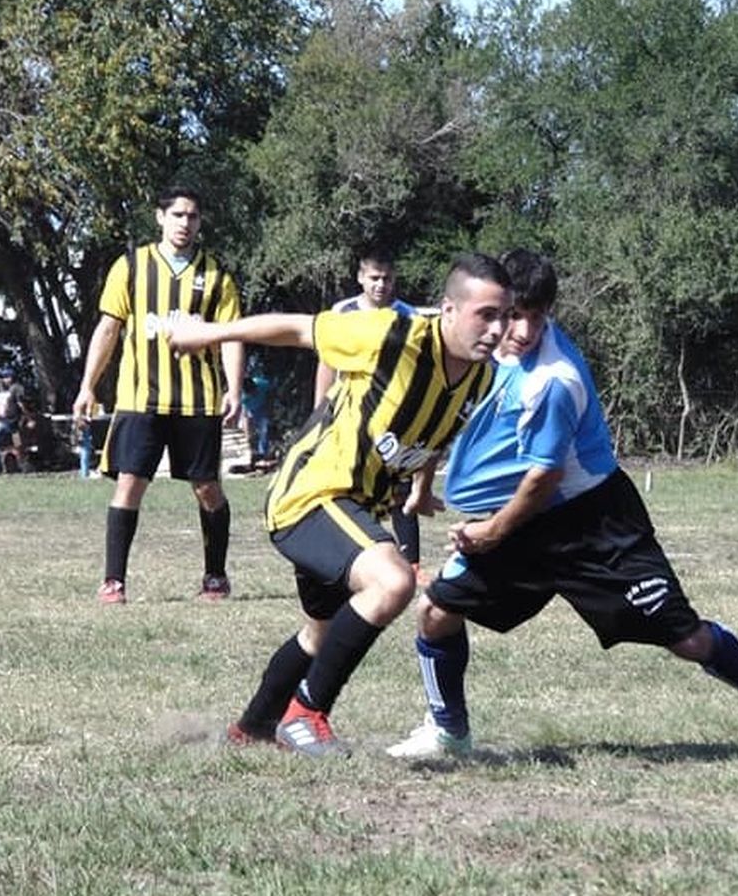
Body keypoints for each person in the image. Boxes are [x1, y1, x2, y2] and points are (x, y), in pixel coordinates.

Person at [385, 250, 738, 760]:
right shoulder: (473, 340)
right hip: (524, 523)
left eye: (536, 317)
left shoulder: (553, 380)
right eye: (513, 314)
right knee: (435, 612)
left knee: (686, 639)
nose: (522, 331)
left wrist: (492, 531)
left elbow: (544, 479)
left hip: (593, 524)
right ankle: (449, 731)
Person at [166, 253, 512, 756]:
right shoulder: (393, 336)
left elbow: (433, 437)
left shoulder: (479, 378)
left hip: (355, 508)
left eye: (504, 315)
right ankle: (305, 716)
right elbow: (296, 329)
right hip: (311, 495)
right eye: (486, 314)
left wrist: (420, 487)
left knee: (322, 634)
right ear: (448, 310)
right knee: (392, 581)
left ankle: (254, 727)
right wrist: (204, 335)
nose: (497, 328)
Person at [71, 185, 244, 604]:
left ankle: (215, 577)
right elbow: (108, 329)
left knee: (207, 488)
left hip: (197, 400)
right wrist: (87, 386)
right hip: (139, 399)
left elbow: (232, 337)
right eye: (178, 215)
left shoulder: (216, 274)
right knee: (129, 484)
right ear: (160, 218)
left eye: (193, 216)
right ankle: (114, 581)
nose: (185, 223)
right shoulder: (131, 266)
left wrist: (233, 389)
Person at [313, 252, 425, 577]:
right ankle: (350, 554)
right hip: (349, 416)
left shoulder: (409, 316)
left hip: (392, 419)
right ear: (361, 277)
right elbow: (327, 363)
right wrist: (321, 410)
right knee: (348, 483)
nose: (380, 285)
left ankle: (412, 562)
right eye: (374, 278)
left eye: (386, 278)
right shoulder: (342, 313)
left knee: (399, 486)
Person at [0, 367, 28, 473]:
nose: (4, 380)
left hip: (9, 422)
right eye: (2, 377)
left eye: (6, 377)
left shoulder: (17, 388)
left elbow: (22, 405)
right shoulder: (1, 390)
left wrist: (27, 417)